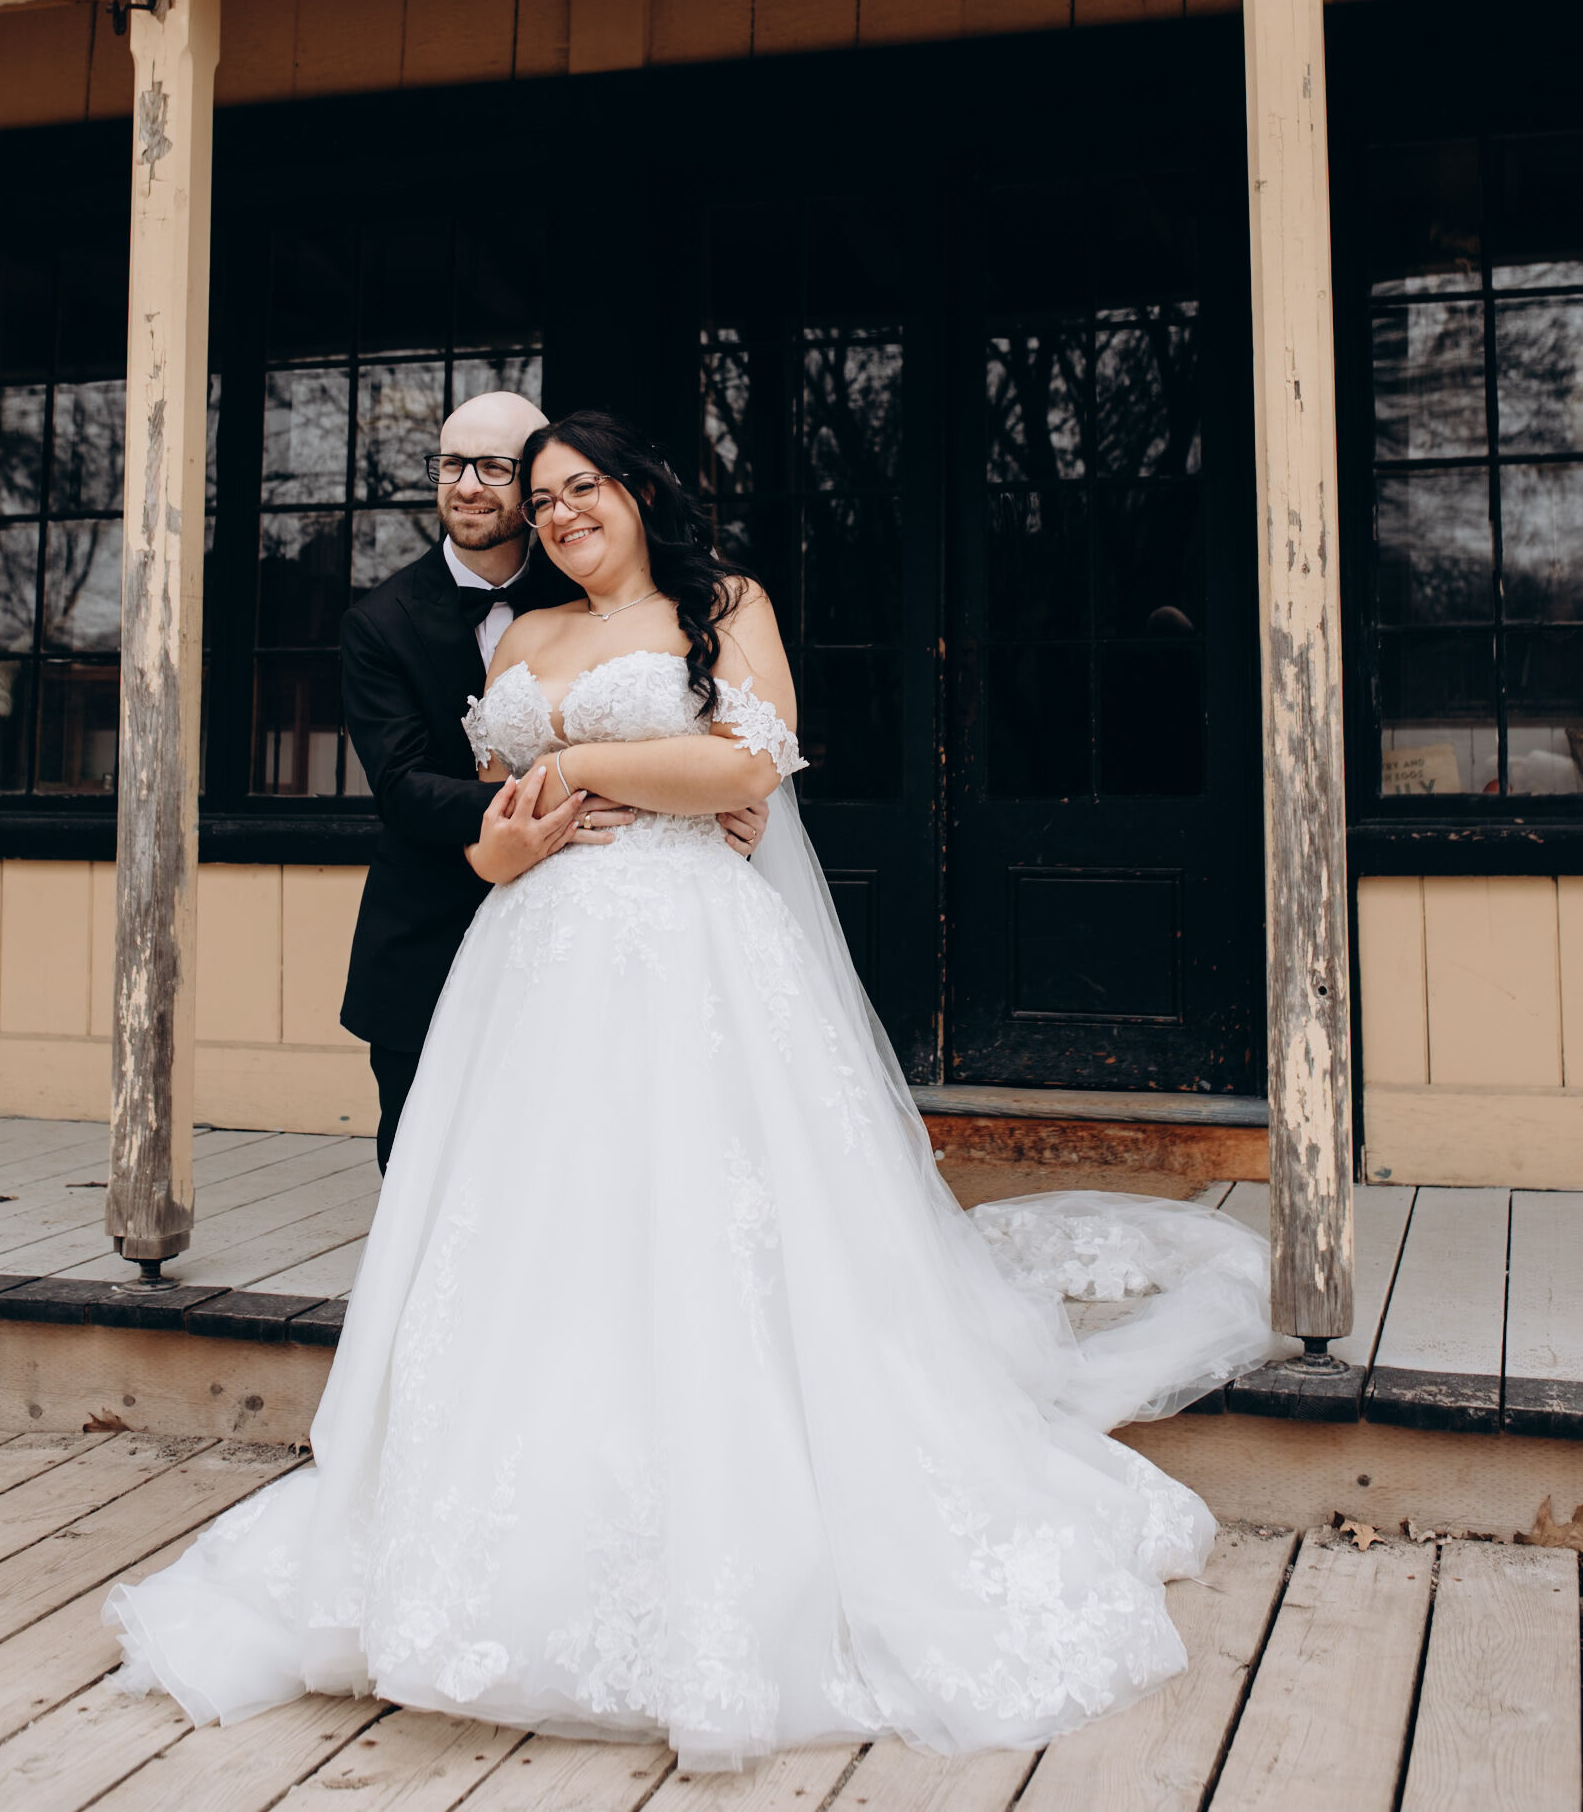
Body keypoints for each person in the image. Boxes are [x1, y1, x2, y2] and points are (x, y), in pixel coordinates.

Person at [107, 411, 1272, 1769]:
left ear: (640, 492)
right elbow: (489, 810)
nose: (557, 512)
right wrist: (510, 839)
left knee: (710, 1220)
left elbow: (743, 763)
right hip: (531, 969)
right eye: (541, 497)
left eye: (581, 487)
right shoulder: (520, 640)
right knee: (539, 1237)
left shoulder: (724, 607)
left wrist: (582, 765)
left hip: (690, 954)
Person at [338, 389, 765, 1170]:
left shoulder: (586, 574)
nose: (467, 485)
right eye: (449, 464)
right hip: (437, 922)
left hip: (639, 928)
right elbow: (401, 786)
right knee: (429, 1166)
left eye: (494, 468)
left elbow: (725, 736)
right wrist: (559, 805)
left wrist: (702, 798)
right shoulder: (379, 620)